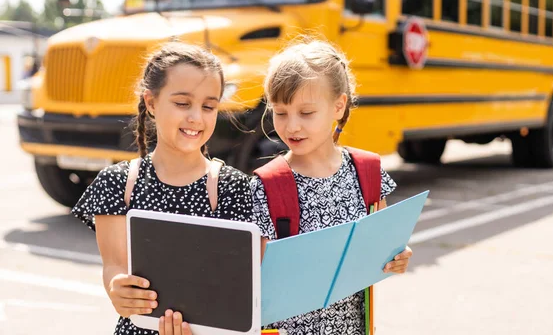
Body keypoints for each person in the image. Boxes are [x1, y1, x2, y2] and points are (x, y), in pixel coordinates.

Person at [72, 42, 253, 335]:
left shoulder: (232, 186)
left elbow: (242, 283)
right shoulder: (118, 183)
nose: (196, 117)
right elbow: (115, 266)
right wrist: (118, 289)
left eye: (208, 106)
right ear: (152, 103)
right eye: (182, 103)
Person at [252, 38, 413, 335]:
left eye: (306, 113)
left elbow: (381, 251)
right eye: (280, 112)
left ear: (338, 106)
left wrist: (396, 258)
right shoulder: (266, 185)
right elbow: (257, 281)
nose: (291, 126)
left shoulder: (367, 172)